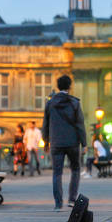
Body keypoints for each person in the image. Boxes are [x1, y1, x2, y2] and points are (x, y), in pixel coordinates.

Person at [42, 75, 87, 211]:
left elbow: (46, 124)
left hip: (56, 142)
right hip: (72, 142)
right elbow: (80, 124)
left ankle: (58, 203)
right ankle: (72, 199)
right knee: (75, 170)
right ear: (69, 86)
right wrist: (84, 143)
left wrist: (46, 142)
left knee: (57, 173)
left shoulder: (50, 103)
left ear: (58, 86)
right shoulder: (74, 103)